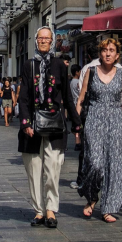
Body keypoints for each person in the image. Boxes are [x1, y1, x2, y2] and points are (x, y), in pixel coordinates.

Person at [18, 27, 80, 228]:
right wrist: (26, 122)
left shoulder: (59, 65)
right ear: (36, 40)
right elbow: (24, 96)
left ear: (52, 41)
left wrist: (77, 122)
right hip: (33, 125)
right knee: (34, 168)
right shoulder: (29, 65)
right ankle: (38, 210)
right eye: (41, 38)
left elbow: (68, 97)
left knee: (53, 167)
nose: (44, 41)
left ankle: (51, 209)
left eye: (47, 38)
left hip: (54, 124)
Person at [75, 37, 122, 223]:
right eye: (104, 50)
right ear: (100, 53)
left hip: (116, 121)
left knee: (115, 166)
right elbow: (81, 100)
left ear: (117, 55)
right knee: (95, 163)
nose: (107, 53)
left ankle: (108, 208)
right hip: (94, 119)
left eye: (111, 50)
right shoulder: (91, 72)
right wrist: (77, 127)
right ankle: (91, 196)